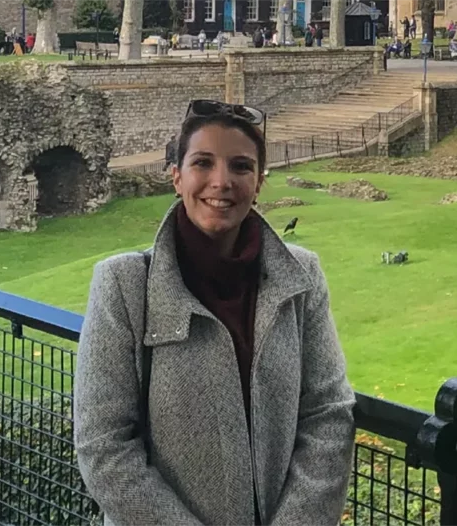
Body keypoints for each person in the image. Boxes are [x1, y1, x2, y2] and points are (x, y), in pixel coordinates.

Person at [74, 99, 356, 525]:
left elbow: (328, 412)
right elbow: (104, 445)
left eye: (241, 167)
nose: (221, 182)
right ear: (176, 176)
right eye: (202, 163)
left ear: (260, 182)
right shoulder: (123, 284)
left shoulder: (302, 276)